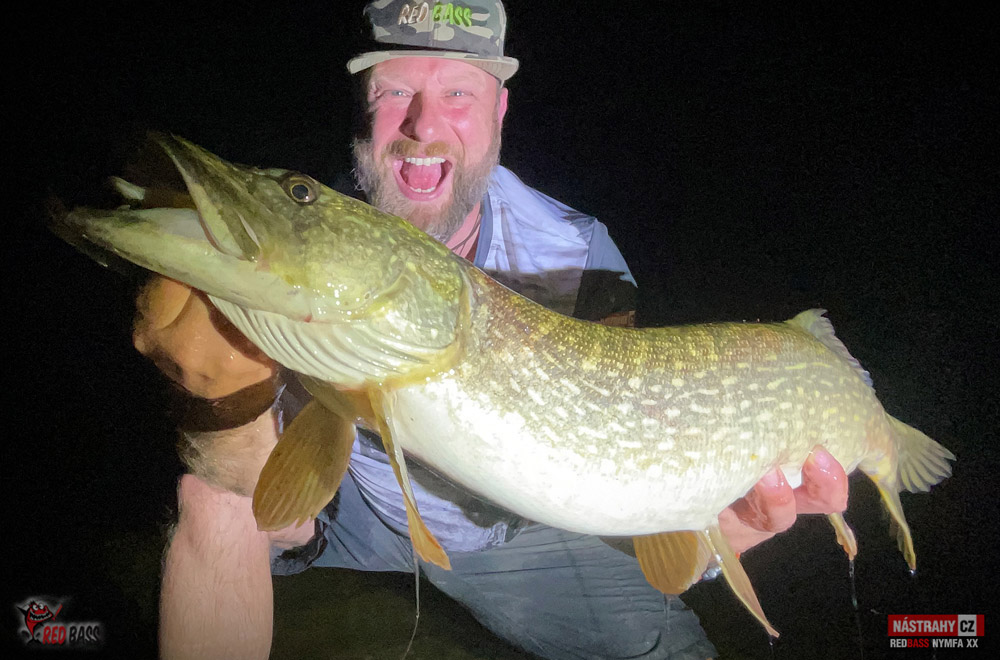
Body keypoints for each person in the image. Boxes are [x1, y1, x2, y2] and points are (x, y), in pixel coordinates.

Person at [141, 2, 850, 658]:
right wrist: (220, 410)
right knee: (211, 497)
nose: (423, 126)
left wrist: (723, 525)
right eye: (395, 91)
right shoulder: (322, 233)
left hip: (510, 533)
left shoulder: (580, 257)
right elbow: (270, 492)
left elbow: (629, 479)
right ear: (364, 104)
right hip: (357, 507)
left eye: (458, 93)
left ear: (500, 110)